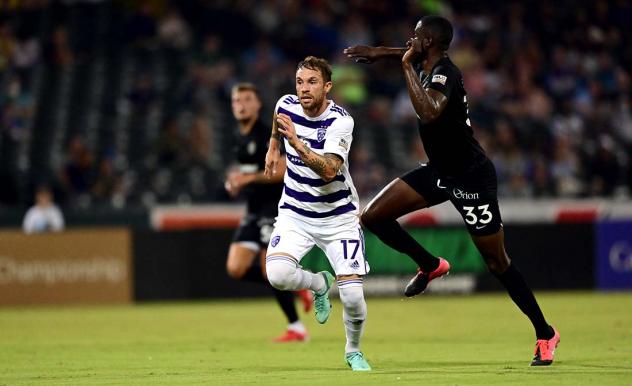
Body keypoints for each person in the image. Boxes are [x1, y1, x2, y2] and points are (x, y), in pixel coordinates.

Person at [344, 16, 560, 366]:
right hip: (440, 171)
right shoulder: (428, 61)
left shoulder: (447, 73)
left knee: (496, 262)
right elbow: (408, 54)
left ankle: (545, 333)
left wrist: (402, 65)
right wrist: (380, 52)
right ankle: (430, 265)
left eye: (415, 37)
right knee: (373, 216)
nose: (410, 41)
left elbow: (428, 111)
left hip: (471, 178)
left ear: (428, 42)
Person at [263, 57, 371, 371]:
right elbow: (278, 116)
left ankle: (353, 350)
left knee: (352, 297)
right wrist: (273, 144)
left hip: (338, 217)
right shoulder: (286, 104)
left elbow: (329, 171)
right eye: (299, 82)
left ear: (327, 86)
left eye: (312, 82)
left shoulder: (341, 122)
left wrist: (294, 142)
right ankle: (318, 284)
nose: (304, 89)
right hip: (296, 212)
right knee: (278, 275)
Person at [225, 82, 312, 343]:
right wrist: (235, 181)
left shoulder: (267, 133)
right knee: (236, 268)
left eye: (246, 99)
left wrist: (247, 179)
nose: (241, 105)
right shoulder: (238, 136)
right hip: (253, 208)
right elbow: (246, 173)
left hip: (274, 208)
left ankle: (296, 328)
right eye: (236, 100)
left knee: (268, 269)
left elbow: (283, 170)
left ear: (258, 104)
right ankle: (297, 288)